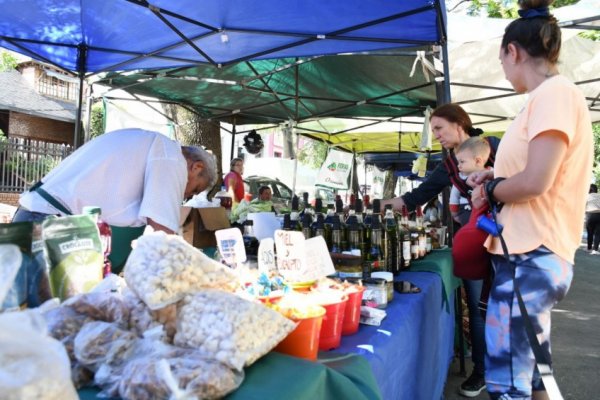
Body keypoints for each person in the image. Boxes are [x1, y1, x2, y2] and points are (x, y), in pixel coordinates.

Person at [469, 1, 594, 398]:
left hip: (532, 253)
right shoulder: (551, 96)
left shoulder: (554, 94)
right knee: (536, 370)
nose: (503, 71)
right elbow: (537, 174)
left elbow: (537, 181)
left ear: (514, 51)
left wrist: (490, 189)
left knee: (508, 381)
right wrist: (497, 177)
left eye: (502, 60)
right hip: (532, 252)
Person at [382, 103, 500, 398]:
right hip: (474, 243)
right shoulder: (447, 166)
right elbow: (415, 197)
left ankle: (510, 368)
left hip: (510, 240)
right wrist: (376, 205)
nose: (435, 136)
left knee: (508, 307)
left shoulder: (495, 146)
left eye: (439, 128)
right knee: (477, 308)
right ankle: (481, 372)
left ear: (459, 124)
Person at [13, 128, 218, 272]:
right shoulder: (171, 158)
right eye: (194, 190)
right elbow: (161, 235)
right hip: (46, 223)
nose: (186, 197)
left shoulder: (152, 144)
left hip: (34, 216)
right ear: (196, 167)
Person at [449, 137, 491, 225]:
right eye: (458, 162)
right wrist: (454, 213)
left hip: (489, 209)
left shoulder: (492, 174)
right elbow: (454, 197)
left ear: (478, 161)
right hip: (467, 210)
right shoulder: (459, 179)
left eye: (462, 162)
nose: (458, 166)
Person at [585, 184, 600, 254]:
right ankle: (595, 250)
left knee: (590, 232)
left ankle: (589, 248)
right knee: (598, 233)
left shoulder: (586, 196)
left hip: (590, 215)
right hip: (599, 215)